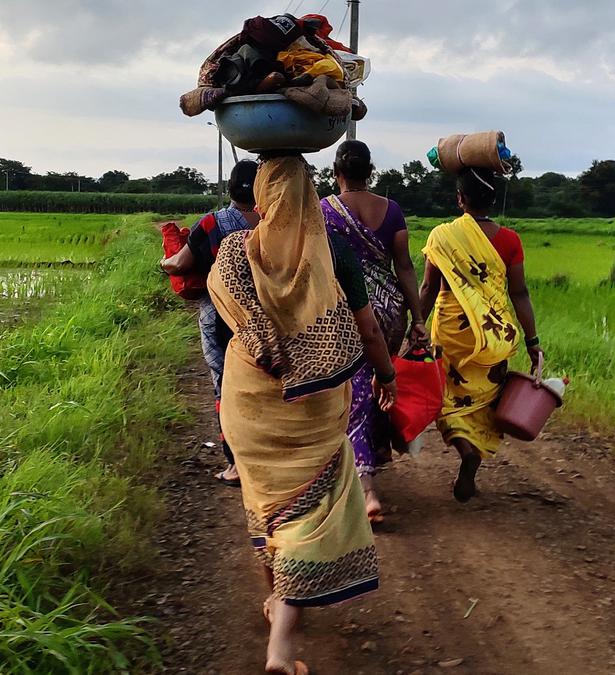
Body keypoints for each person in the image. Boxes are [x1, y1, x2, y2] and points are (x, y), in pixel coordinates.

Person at [207, 155, 397, 675]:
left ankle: (275, 601)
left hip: (248, 404)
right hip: (311, 408)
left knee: (266, 501)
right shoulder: (333, 250)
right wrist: (386, 376)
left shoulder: (232, 252)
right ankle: (281, 648)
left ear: (264, 196)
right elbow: (370, 329)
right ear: (310, 195)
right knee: (307, 512)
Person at [419, 166, 544, 502]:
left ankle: (463, 446)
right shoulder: (510, 241)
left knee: (447, 399)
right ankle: (474, 453)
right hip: (492, 334)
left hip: (451, 334)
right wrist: (532, 341)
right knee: (486, 399)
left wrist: (414, 326)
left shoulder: (442, 236)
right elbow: (519, 293)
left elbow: (430, 286)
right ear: (493, 200)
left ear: (460, 199)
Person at [320, 140, 428, 522]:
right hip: (391, 312)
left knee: (356, 388)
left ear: (337, 173)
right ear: (371, 172)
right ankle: (376, 453)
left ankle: (366, 488)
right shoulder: (392, 211)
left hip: (348, 311)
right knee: (382, 381)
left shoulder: (325, 211)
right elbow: (405, 267)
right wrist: (417, 319)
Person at [161, 160, 260, 487]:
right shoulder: (272, 223)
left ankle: (235, 463)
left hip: (220, 317)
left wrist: (165, 262)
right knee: (264, 383)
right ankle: (266, 456)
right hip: (265, 318)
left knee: (225, 385)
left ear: (230, 188)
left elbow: (179, 264)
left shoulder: (212, 223)